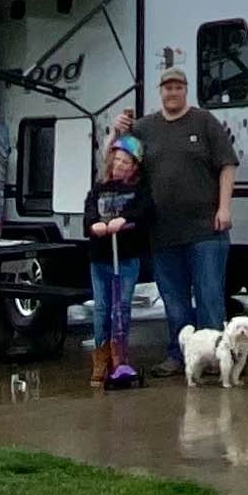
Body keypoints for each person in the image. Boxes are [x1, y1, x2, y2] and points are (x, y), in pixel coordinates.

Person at [128, 53, 238, 356]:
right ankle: (179, 357)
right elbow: (117, 163)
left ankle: (216, 359)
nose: (172, 93)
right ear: (160, 92)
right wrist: (115, 131)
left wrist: (224, 208)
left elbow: (227, 164)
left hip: (206, 230)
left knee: (210, 299)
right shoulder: (144, 128)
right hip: (163, 233)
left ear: (185, 90)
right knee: (174, 301)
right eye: (167, 88)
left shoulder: (204, 122)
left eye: (177, 87)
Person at [80, 141, 147, 389]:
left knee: (123, 306)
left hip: (126, 257)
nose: (120, 165)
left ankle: (120, 356)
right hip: (101, 258)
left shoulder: (138, 190)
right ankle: (101, 356)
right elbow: (88, 215)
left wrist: (124, 219)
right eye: (117, 160)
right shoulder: (98, 190)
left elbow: (143, 211)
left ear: (134, 168)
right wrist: (93, 225)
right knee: (102, 308)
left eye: (126, 162)